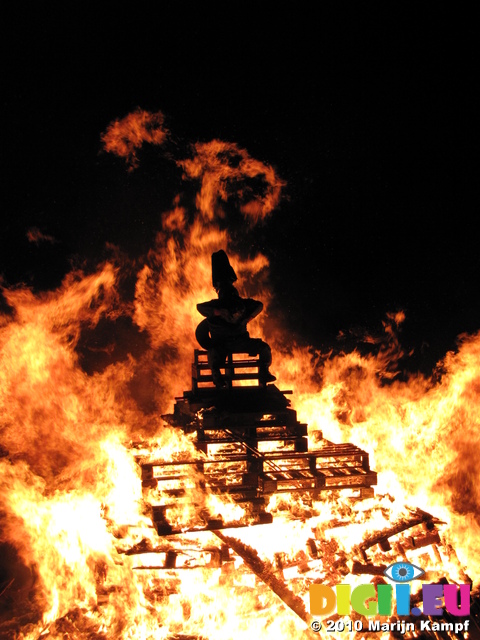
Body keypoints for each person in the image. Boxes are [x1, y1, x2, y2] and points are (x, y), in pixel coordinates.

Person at [196, 251, 275, 388]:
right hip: (227, 344)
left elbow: (259, 305)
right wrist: (218, 312)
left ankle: (264, 373)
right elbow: (200, 308)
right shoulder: (225, 305)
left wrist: (247, 317)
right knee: (214, 354)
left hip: (233, 343)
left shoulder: (238, 304)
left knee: (263, 349)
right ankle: (218, 378)